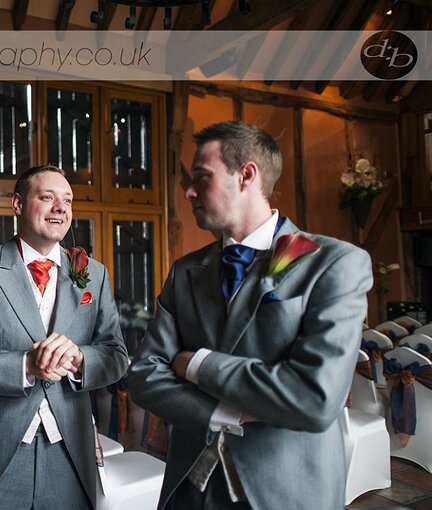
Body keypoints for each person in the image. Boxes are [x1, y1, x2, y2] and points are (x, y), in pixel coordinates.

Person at [128, 121, 373, 510]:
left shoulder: (333, 263)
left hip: (284, 490)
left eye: (202, 177)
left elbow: (315, 397)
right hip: (189, 490)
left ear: (247, 175)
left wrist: (199, 364)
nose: (189, 191)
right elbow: (142, 375)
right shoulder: (185, 271)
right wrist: (220, 413)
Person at [0, 164, 129, 510]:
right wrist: (25, 365)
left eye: (68, 200)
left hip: (70, 450)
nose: (61, 208)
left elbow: (116, 354)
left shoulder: (92, 274)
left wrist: (81, 359)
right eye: (47, 197)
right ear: (17, 205)